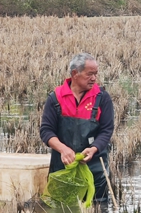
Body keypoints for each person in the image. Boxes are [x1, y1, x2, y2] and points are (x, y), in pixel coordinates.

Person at [40, 53, 115, 203]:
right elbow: (46, 131)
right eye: (89, 74)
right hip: (63, 168)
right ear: (75, 73)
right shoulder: (56, 98)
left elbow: (106, 130)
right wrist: (63, 149)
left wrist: (94, 149)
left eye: (95, 74)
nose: (94, 78)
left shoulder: (102, 98)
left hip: (95, 169)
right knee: (62, 212)